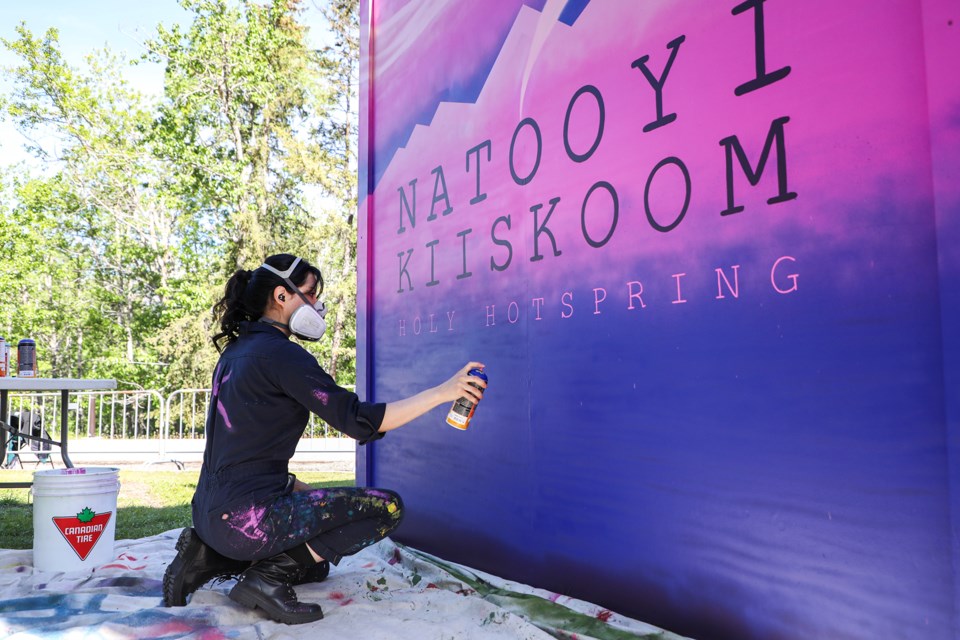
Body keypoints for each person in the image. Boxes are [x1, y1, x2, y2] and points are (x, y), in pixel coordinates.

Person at [162, 253, 485, 624]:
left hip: (209, 514)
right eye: (311, 294)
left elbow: (244, 453)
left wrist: (310, 500)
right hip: (245, 521)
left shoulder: (236, 352)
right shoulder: (282, 356)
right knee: (387, 508)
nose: (318, 304)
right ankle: (265, 580)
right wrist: (443, 392)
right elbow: (358, 422)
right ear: (282, 296)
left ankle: (206, 555)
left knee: (314, 568)